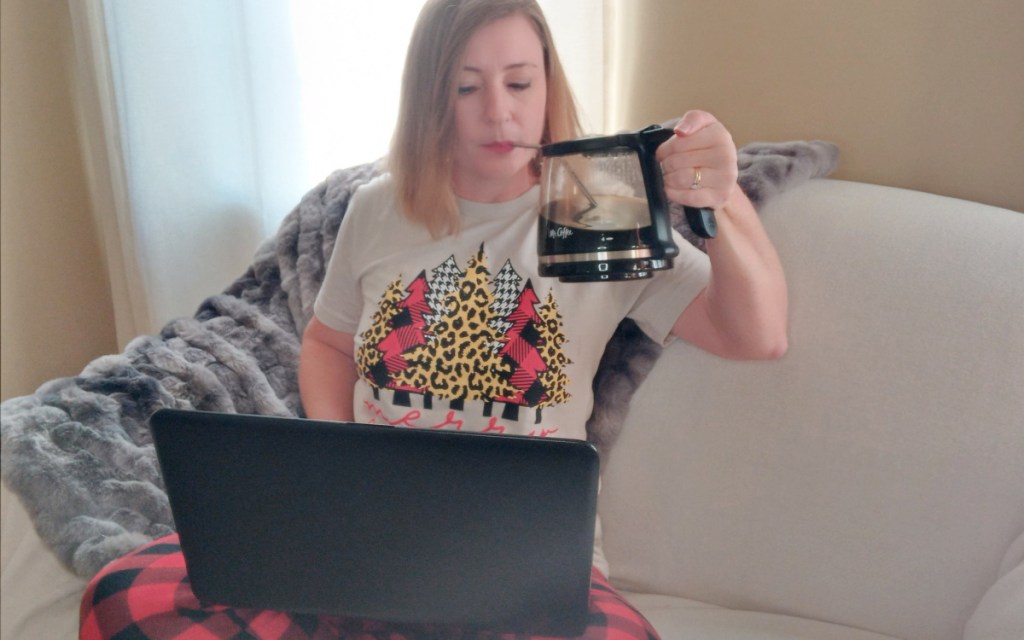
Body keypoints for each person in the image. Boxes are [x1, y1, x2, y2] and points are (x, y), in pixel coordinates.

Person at [79, 1, 787, 638]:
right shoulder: (381, 207)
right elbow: (328, 341)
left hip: (521, 558)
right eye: (466, 86)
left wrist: (717, 200)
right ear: (430, 99)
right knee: (124, 597)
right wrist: (339, 465)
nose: (498, 113)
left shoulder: (592, 204)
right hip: (363, 537)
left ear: (549, 87)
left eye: (519, 82)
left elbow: (756, 335)